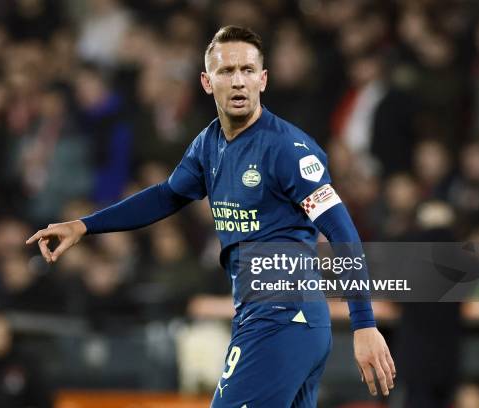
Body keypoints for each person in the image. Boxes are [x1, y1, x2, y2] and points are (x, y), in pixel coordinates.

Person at [27, 26, 396, 407]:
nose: (238, 81)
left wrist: (364, 323)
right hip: (266, 318)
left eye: (248, 70)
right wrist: (84, 225)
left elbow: (342, 230)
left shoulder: (288, 149)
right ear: (207, 81)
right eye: (226, 71)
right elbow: (166, 196)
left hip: (284, 318)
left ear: (263, 79)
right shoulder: (209, 144)